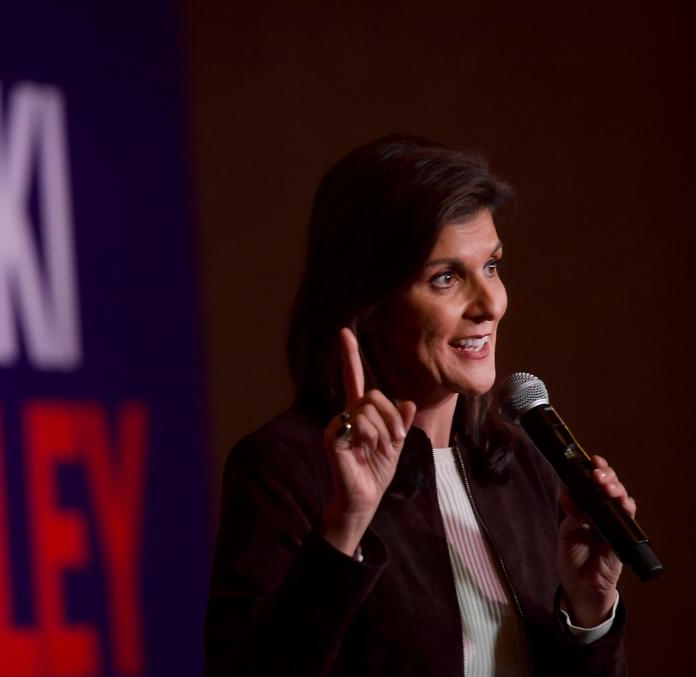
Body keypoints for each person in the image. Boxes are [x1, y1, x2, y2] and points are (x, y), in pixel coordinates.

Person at [204, 135, 634, 676]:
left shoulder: (523, 468)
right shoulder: (288, 468)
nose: (490, 304)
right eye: (446, 278)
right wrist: (345, 526)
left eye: (493, 266)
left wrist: (589, 610)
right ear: (371, 304)